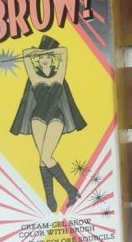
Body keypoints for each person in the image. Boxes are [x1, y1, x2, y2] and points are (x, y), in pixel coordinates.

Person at [10, 35, 86, 212]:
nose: (44, 59)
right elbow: (26, 53)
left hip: (56, 117)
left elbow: (63, 51)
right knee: (43, 157)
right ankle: (53, 196)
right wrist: (39, 52)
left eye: (48, 56)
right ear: (37, 60)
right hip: (38, 117)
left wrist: (45, 50)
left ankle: (69, 190)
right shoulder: (34, 77)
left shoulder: (59, 75)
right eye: (41, 57)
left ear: (53, 59)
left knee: (46, 156)